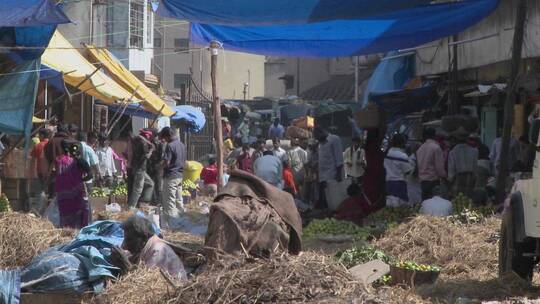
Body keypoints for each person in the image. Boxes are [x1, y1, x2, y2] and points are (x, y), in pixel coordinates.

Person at [335, 128, 386, 223]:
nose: (356, 144)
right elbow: (344, 159)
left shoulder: (365, 150)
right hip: (362, 176)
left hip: (364, 175)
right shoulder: (367, 149)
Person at [120, 216, 187, 279]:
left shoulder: (158, 251)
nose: (125, 245)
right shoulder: (144, 246)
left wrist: (126, 265)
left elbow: (143, 281)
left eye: (129, 240)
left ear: (143, 238)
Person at [55, 140, 93, 229]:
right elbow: (90, 175)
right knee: (81, 210)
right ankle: (79, 229)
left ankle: (67, 229)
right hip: (77, 193)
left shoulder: (65, 161)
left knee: (67, 211)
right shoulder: (81, 161)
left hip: (63, 193)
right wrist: (81, 181)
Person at [159, 127, 187, 227]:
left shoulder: (170, 146)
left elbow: (167, 162)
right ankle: (182, 221)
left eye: (164, 137)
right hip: (180, 175)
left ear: (167, 136)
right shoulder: (182, 145)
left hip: (171, 176)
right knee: (179, 201)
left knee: (169, 202)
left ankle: (172, 225)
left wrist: (159, 166)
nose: (164, 140)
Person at [314, 128, 344, 209]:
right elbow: (320, 160)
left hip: (332, 176)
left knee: (332, 202)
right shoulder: (320, 144)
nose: (318, 140)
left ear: (322, 132)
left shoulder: (334, 139)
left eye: (319, 138)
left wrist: (338, 175)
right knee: (323, 202)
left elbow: (339, 159)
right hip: (322, 177)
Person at [384, 133, 415, 207]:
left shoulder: (386, 153)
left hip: (387, 183)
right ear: (402, 143)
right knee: (401, 206)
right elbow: (408, 171)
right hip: (399, 184)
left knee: (389, 205)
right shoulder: (402, 156)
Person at [416, 128, 447, 201]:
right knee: (434, 203)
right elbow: (439, 168)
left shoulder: (420, 148)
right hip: (433, 181)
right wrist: (445, 176)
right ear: (434, 136)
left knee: (425, 204)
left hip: (423, 181)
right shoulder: (436, 148)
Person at [127, 129, 155, 209]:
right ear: (146, 136)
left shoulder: (135, 141)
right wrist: (151, 151)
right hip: (140, 169)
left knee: (150, 183)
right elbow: (146, 156)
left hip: (137, 168)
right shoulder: (143, 143)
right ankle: (131, 207)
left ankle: (143, 202)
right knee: (137, 190)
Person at [447, 129, 478, 197]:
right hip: (470, 178)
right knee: (468, 201)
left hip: (458, 179)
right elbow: (475, 168)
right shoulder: (474, 151)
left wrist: (450, 180)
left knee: (458, 202)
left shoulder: (453, 152)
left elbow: (451, 170)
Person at [45, 124, 72, 196]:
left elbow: (46, 157)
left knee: (53, 197)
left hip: (54, 174)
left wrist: (47, 175)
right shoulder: (71, 141)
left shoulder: (51, 142)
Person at [31, 129, 51, 193]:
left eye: (39, 135)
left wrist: (32, 173)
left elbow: (33, 160)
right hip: (51, 171)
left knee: (41, 191)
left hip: (40, 172)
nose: (38, 137)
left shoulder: (38, 146)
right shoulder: (52, 144)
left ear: (42, 135)